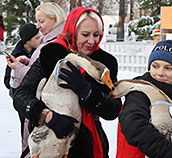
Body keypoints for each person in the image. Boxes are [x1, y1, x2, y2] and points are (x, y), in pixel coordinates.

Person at [13, 7, 122, 158]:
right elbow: (21, 94)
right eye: (85, 34)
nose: (92, 41)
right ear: (72, 30)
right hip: (48, 142)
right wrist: (47, 116)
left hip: (87, 147)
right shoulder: (52, 53)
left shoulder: (104, 63)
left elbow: (113, 110)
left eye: (96, 35)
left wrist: (87, 91)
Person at [116, 37, 172, 158]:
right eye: (155, 66)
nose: (160, 73)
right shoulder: (139, 93)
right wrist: (170, 154)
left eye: (168, 68)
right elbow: (133, 125)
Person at [6, 2, 66, 157]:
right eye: (37, 21)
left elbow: (45, 79)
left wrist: (18, 68)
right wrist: (27, 62)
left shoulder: (54, 44)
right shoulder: (49, 39)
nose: (37, 26)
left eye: (41, 21)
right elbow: (39, 69)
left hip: (45, 112)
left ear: (55, 19)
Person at [3, 23, 40, 153]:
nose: (39, 40)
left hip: (37, 97)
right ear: (27, 41)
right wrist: (20, 76)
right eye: (36, 38)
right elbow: (7, 81)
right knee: (26, 130)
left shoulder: (39, 51)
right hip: (23, 99)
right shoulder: (17, 55)